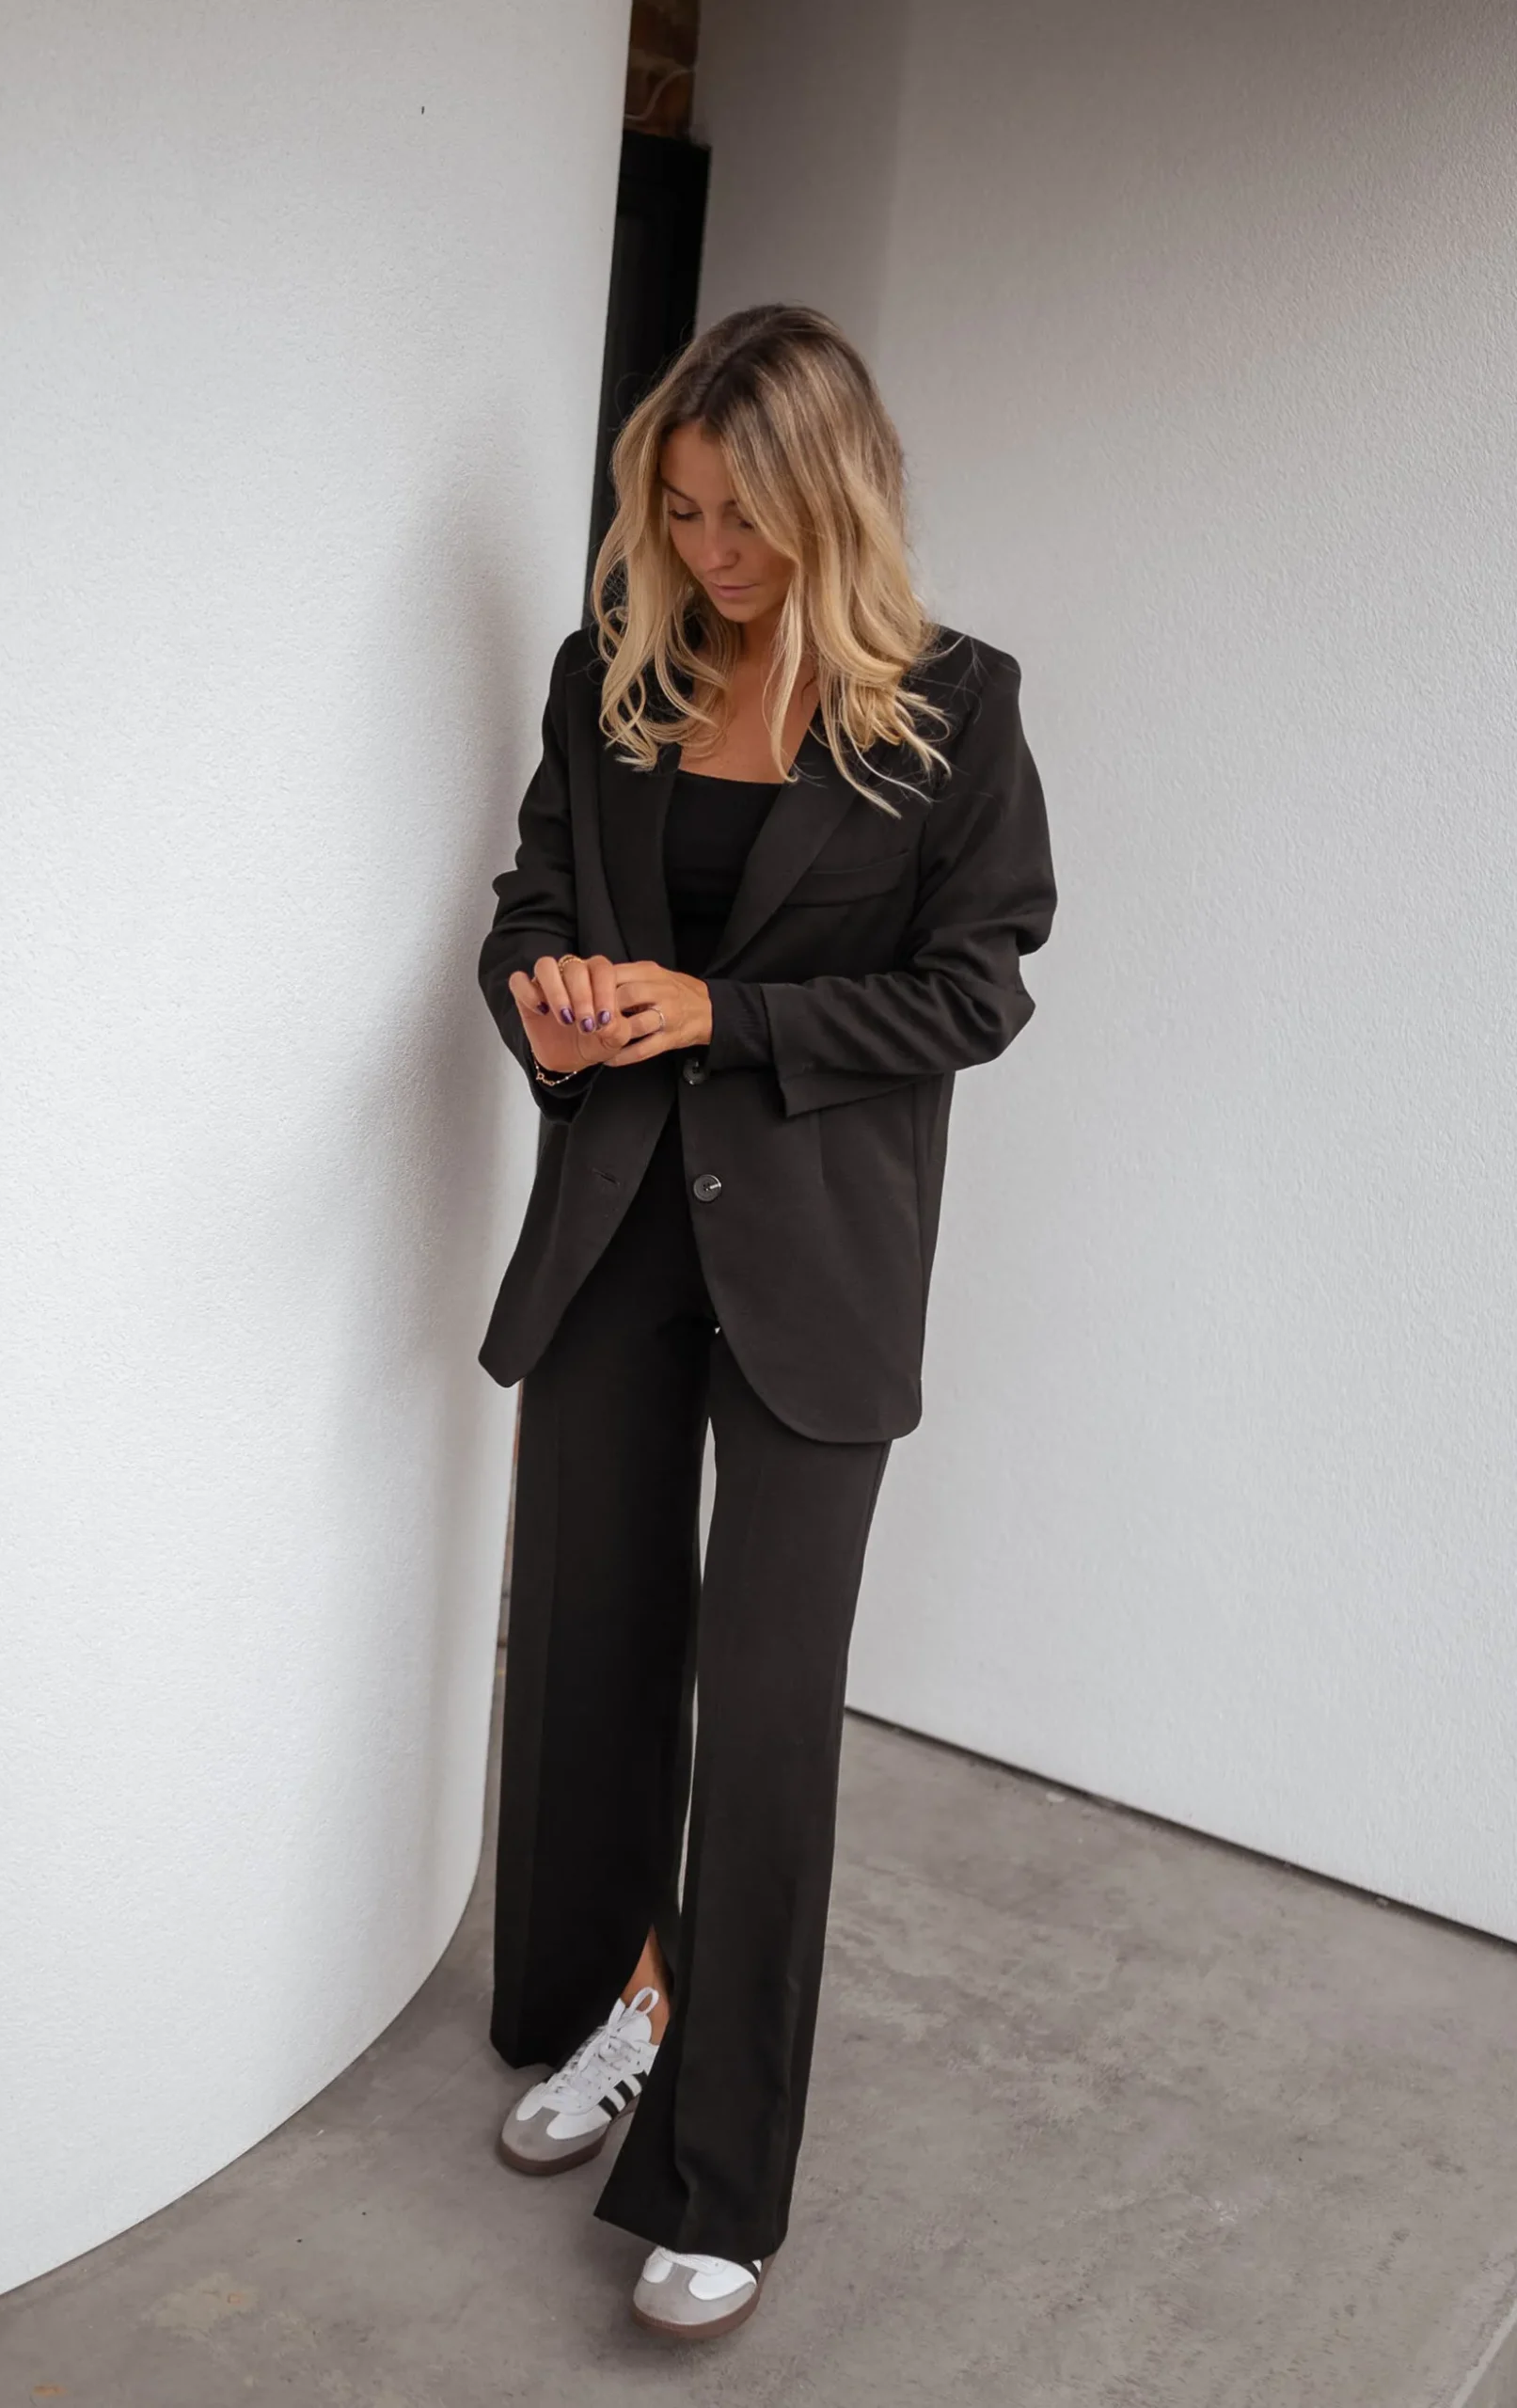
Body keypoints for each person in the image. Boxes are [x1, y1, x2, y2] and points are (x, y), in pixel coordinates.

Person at [473, 301, 1057, 2341]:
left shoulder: (955, 708)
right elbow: (534, 907)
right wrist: (551, 1009)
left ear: (836, 499)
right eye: (679, 511)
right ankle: (619, 2003)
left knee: (772, 1703)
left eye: (743, 516)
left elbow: (978, 988)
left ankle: (724, 2174)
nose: (708, 553)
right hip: (618, 1231)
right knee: (592, 1649)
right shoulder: (612, 677)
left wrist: (720, 1012)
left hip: (819, 1256)